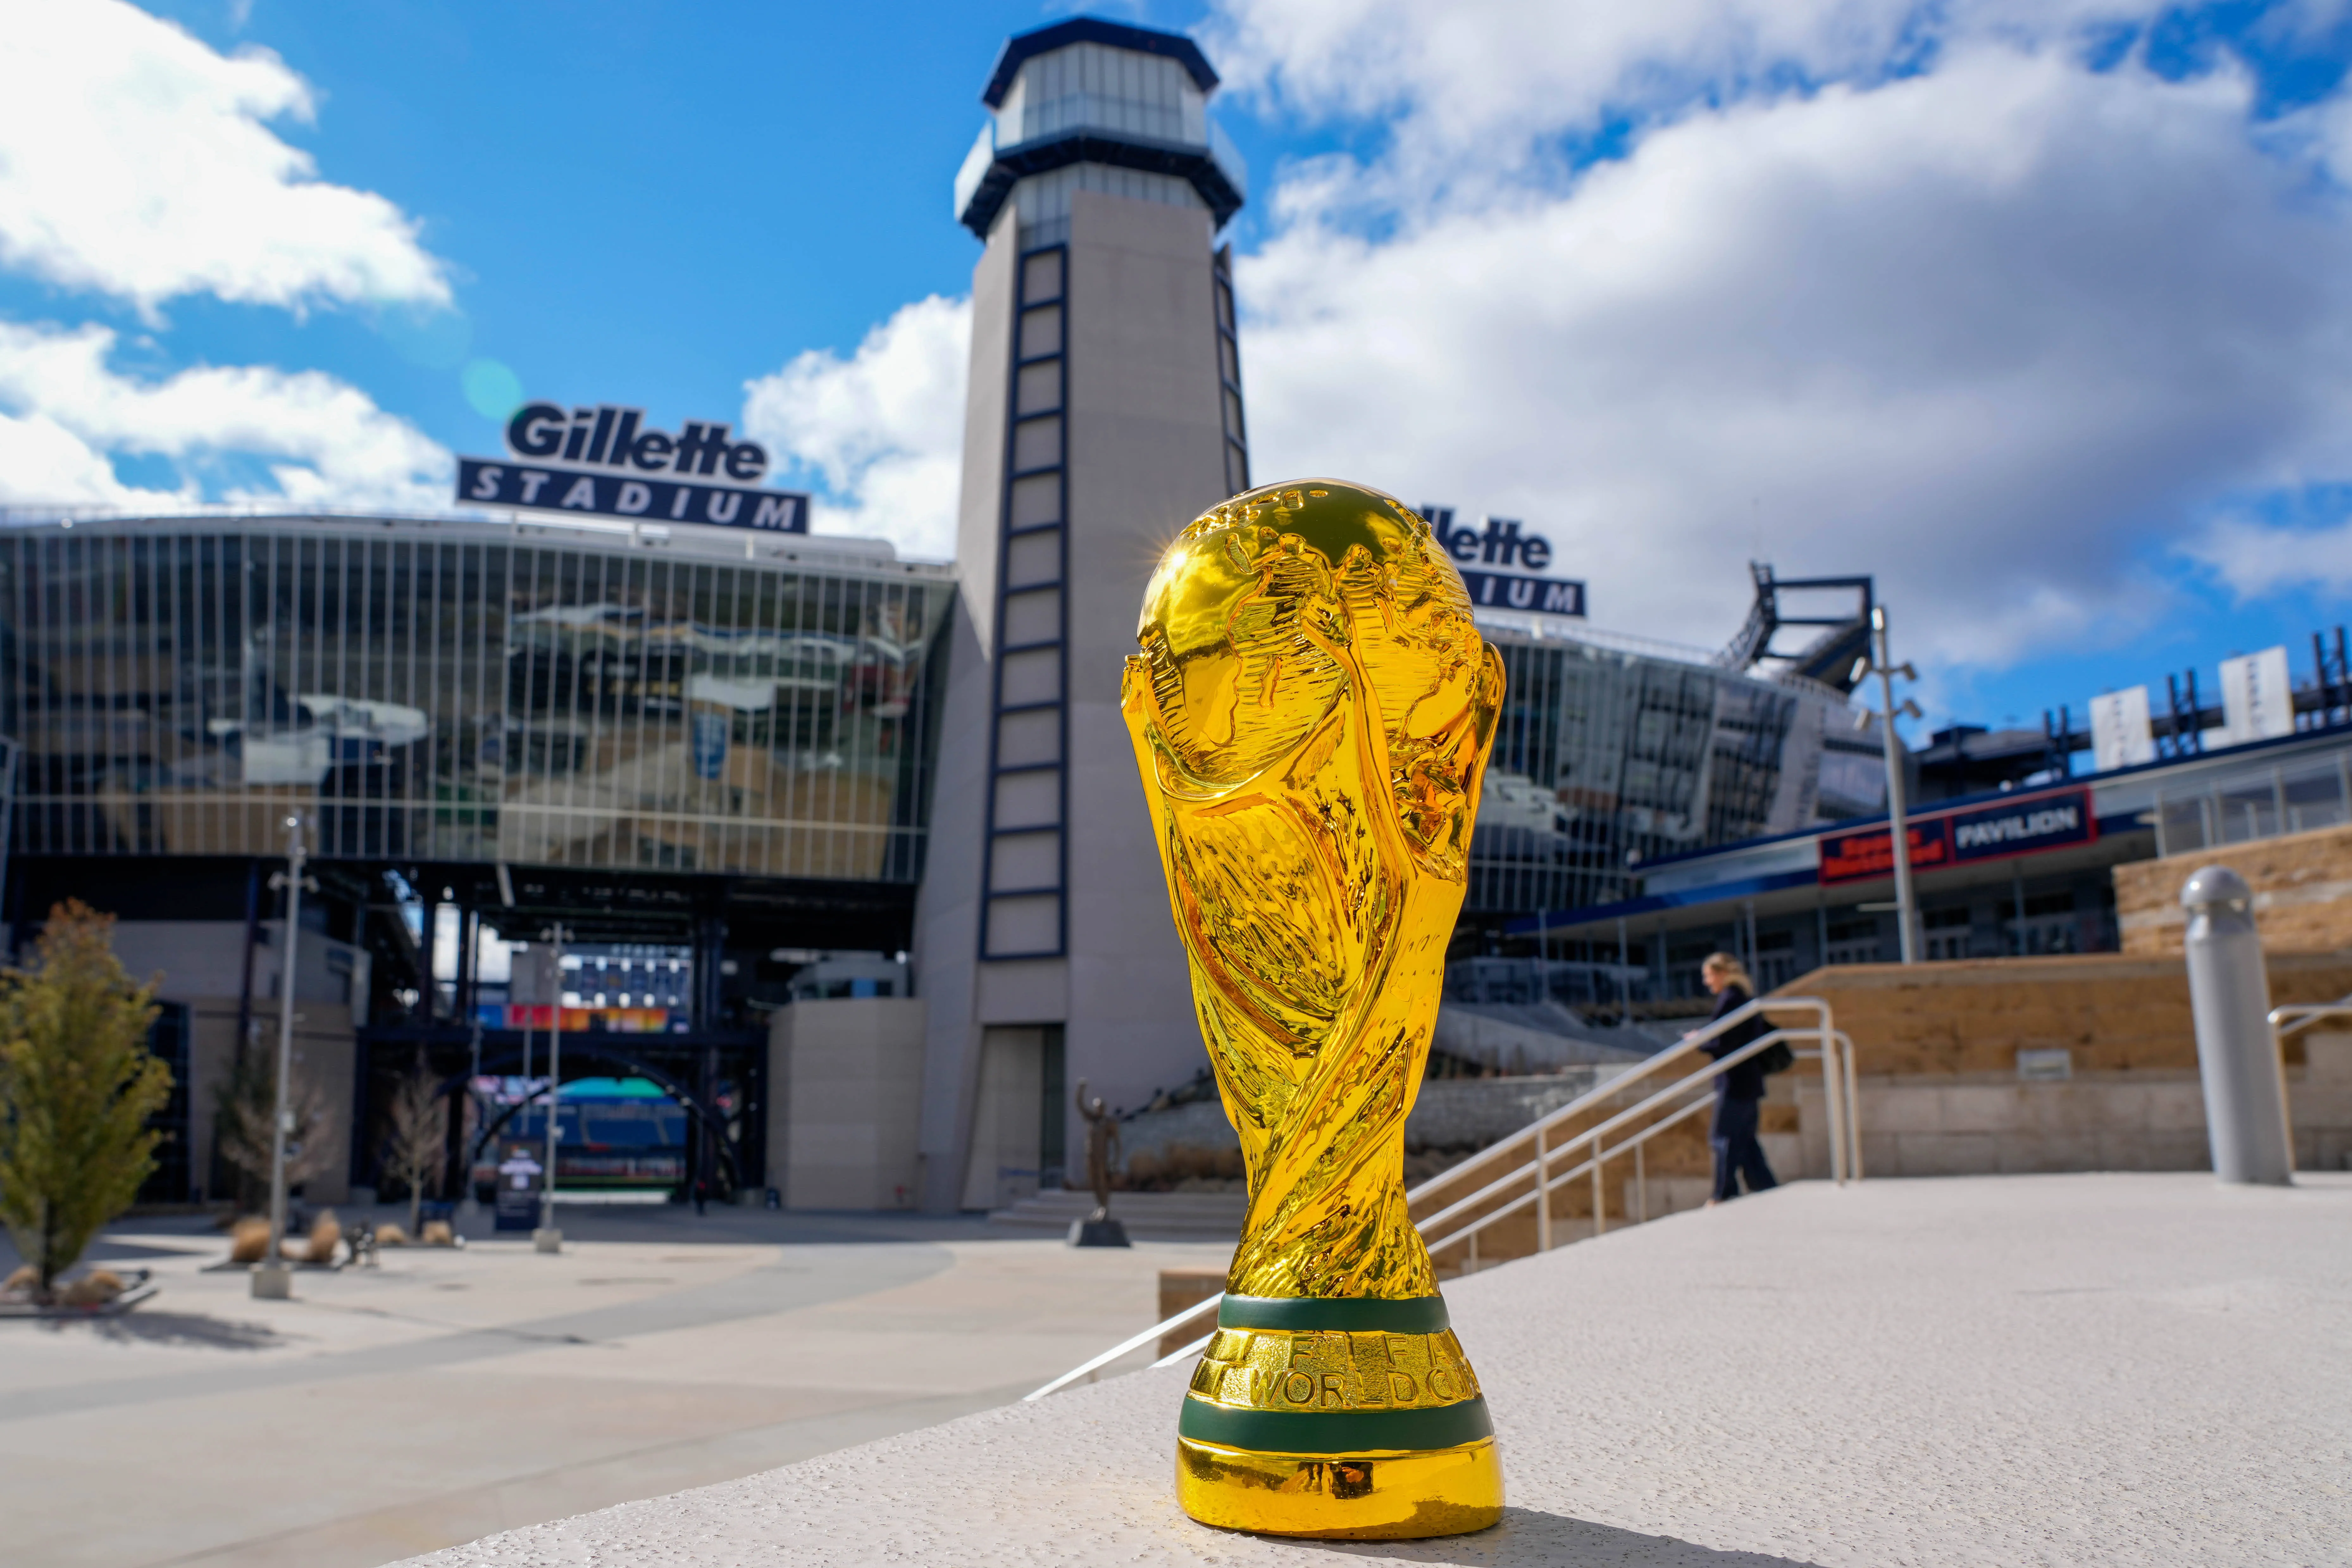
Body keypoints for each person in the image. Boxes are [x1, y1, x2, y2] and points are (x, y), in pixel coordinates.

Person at [1694, 952, 1778, 1205]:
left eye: (1709, 976)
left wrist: (1700, 1041)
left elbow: (1725, 1041)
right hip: (1747, 1081)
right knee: (1745, 1140)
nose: (1707, 982)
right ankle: (1766, 1188)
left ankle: (1724, 1193)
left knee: (1722, 1137)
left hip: (1736, 1082)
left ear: (1721, 973)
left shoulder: (1731, 998)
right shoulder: (1741, 997)